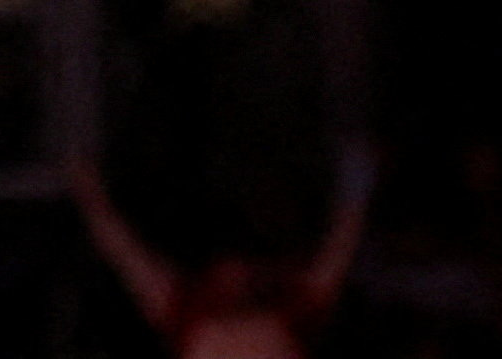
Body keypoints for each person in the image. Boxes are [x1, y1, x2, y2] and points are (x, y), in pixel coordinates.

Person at [70, 150, 374, 359]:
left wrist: (356, 187)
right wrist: (90, 194)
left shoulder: (288, 310)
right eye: (229, 270)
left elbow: (338, 252)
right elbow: (125, 254)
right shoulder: (184, 310)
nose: (237, 275)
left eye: (243, 271)